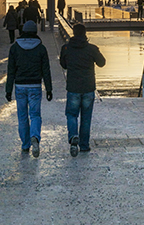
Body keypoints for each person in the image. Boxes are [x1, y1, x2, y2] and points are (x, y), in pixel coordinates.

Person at [5, 20, 52, 157]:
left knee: (22, 116)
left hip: (19, 86)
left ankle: (25, 145)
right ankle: (35, 137)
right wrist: (49, 89)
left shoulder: (14, 48)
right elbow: (46, 71)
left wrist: (8, 90)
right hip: (35, 86)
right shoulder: (41, 48)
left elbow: (11, 71)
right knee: (35, 115)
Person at [59, 23, 106, 157]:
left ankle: (73, 136)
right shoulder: (91, 48)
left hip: (73, 87)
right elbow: (102, 63)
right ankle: (84, 145)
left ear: (73, 33)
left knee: (71, 114)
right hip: (88, 88)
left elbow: (63, 65)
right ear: (85, 33)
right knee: (86, 118)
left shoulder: (66, 48)